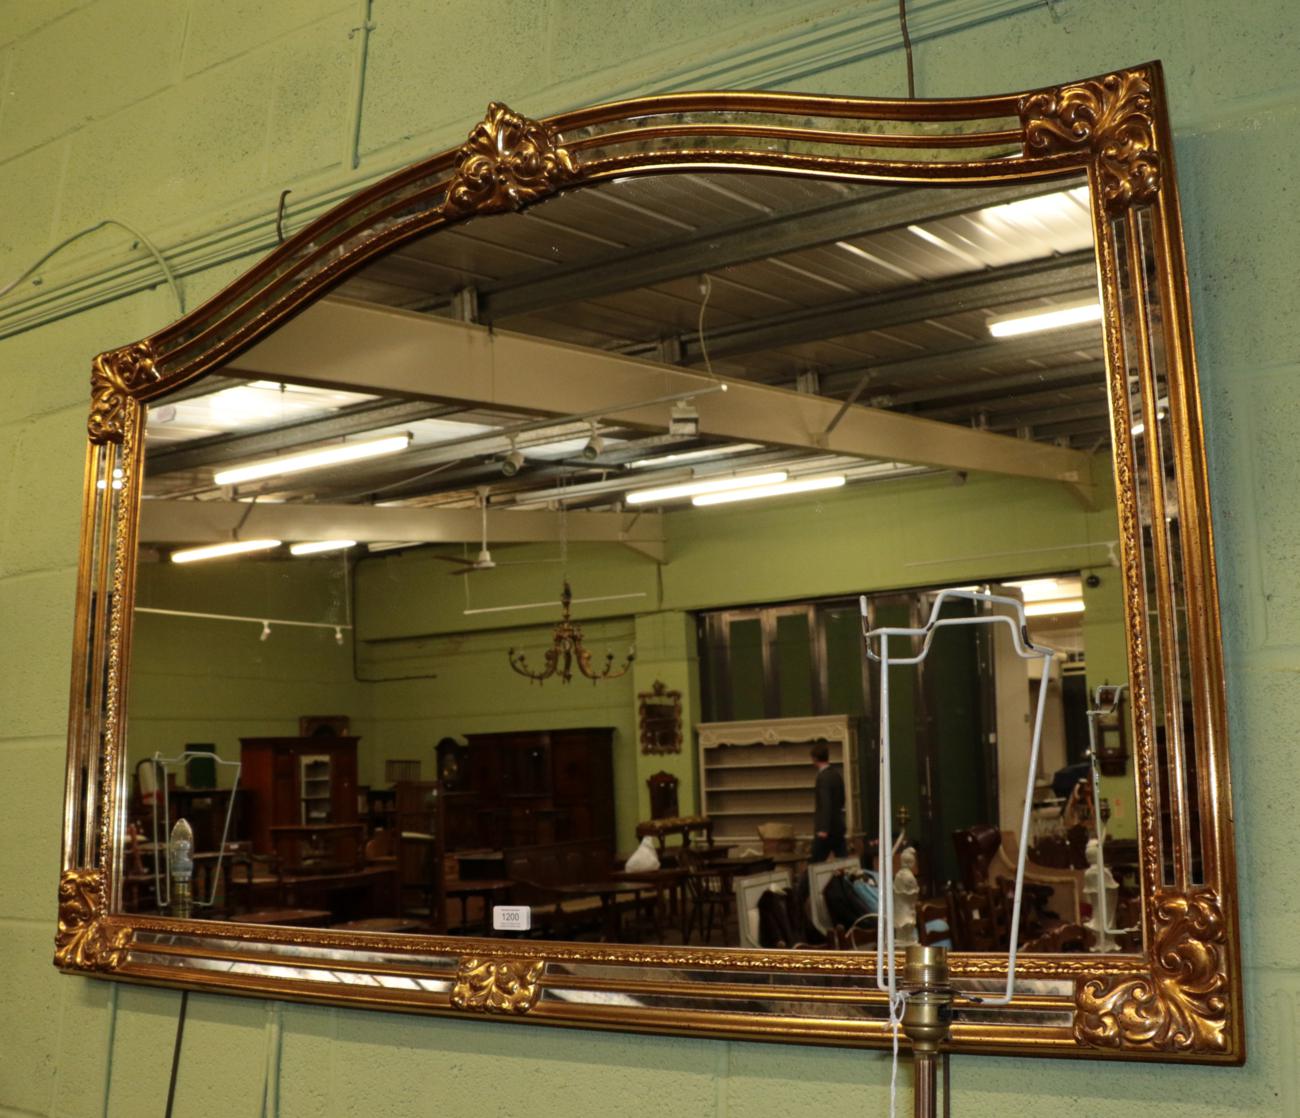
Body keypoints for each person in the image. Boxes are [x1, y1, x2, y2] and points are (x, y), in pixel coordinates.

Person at [810, 742, 846, 861]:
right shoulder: (836, 774)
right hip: (838, 826)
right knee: (843, 863)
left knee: (814, 864)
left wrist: (824, 829)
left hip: (826, 831)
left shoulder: (822, 777)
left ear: (814, 758)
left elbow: (825, 803)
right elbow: (842, 799)